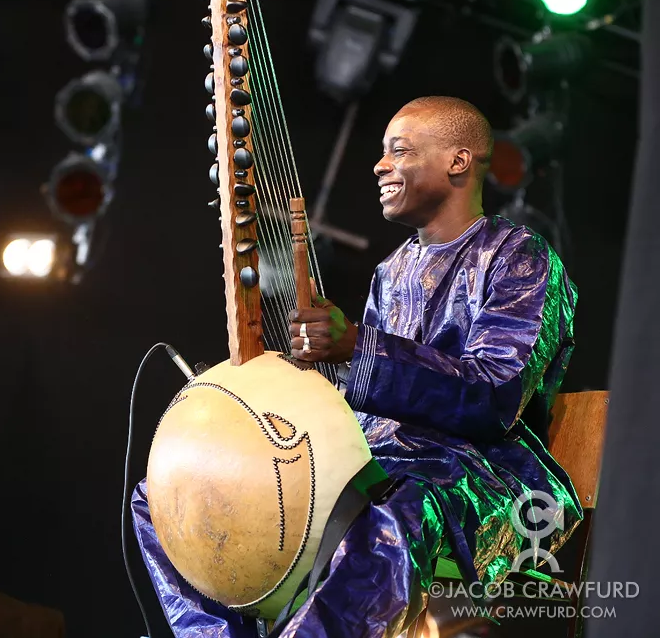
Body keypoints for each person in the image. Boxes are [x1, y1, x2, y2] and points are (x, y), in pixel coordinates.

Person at [132, 96, 582, 637]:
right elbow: (356, 404)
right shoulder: (391, 272)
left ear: (458, 162)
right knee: (168, 491)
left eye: (400, 150)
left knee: (396, 509)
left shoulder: (520, 257)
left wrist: (355, 348)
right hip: (375, 463)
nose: (379, 164)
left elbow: (494, 397)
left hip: (480, 477)